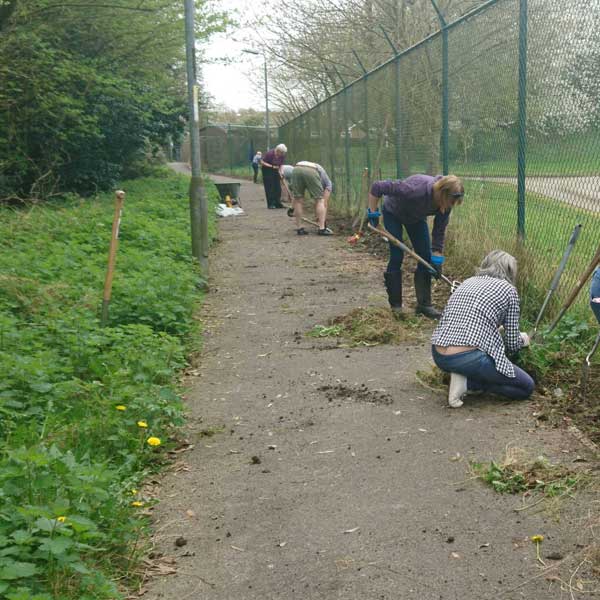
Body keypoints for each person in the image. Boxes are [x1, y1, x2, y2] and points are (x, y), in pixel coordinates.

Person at [431, 250, 535, 408]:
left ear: (485, 264)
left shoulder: (467, 282)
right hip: (468, 358)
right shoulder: (509, 291)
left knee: (477, 357)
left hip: (439, 354)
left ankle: (461, 375)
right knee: (526, 387)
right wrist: (524, 340)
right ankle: (470, 384)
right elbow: (512, 344)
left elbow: (472, 322)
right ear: (511, 271)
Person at [367, 174, 464, 319]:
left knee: (425, 256)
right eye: (451, 201)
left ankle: (424, 305)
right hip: (393, 212)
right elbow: (377, 187)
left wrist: (437, 260)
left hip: (415, 218)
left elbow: (439, 232)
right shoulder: (414, 190)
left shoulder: (446, 205)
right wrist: (373, 213)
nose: (451, 206)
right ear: (442, 193)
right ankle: (396, 307)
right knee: (397, 255)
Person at [282, 162, 333, 235]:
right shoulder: (328, 184)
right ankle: (322, 229)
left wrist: (292, 208)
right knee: (320, 200)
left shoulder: (322, 175)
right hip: (311, 170)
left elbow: (295, 197)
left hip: (296, 169)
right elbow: (324, 203)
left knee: (298, 200)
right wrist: (321, 219)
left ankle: (299, 229)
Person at [261, 144, 287, 209]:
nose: (282, 154)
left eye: (283, 153)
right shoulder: (270, 153)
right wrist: (271, 166)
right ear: (278, 151)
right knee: (270, 187)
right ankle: (271, 204)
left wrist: (282, 172)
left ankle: (277, 203)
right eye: (282, 152)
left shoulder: (282, 156)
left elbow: (281, 164)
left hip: (276, 170)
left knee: (277, 187)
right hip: (267, 170)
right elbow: (262, 162)